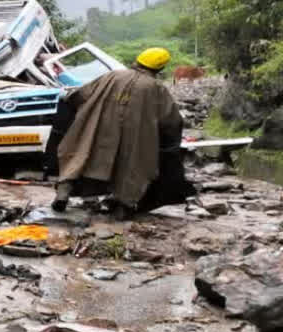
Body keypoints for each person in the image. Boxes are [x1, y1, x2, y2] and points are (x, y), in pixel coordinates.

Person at [51, 47, 184, 217]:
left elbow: (80, 95)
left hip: (97, 130)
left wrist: (69, 99)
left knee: (80, 155)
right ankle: (124, 204)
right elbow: (171, 120)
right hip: (135, 137)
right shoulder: (156, 88)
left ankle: (63, 192)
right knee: (133, 166)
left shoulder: (112, 76)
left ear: (137, 60)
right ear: (160, 68)